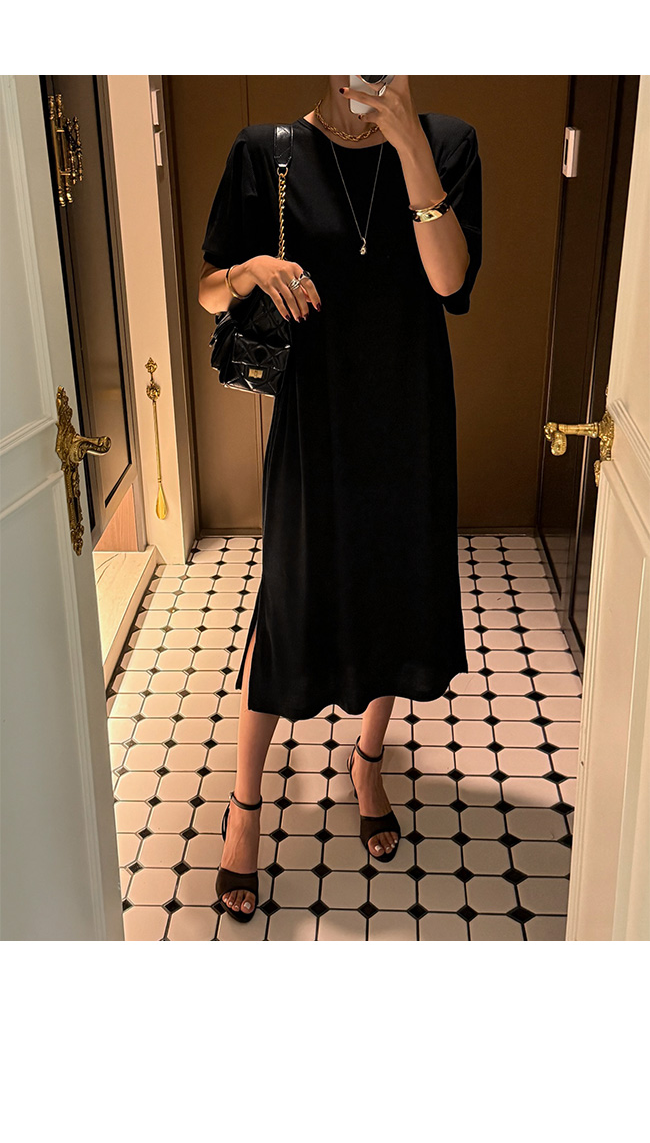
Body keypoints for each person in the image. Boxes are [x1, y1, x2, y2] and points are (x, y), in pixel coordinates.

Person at [198, 76, 483, 922]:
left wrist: (409, 144)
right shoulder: (267, 151)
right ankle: (244, 807)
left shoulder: (447, 141)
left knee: (392, 586)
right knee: (289, 598)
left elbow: (449, 281)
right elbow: (209, 289)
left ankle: (367, 761)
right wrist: (249, 271)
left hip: (408, 413)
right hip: (313, 419)